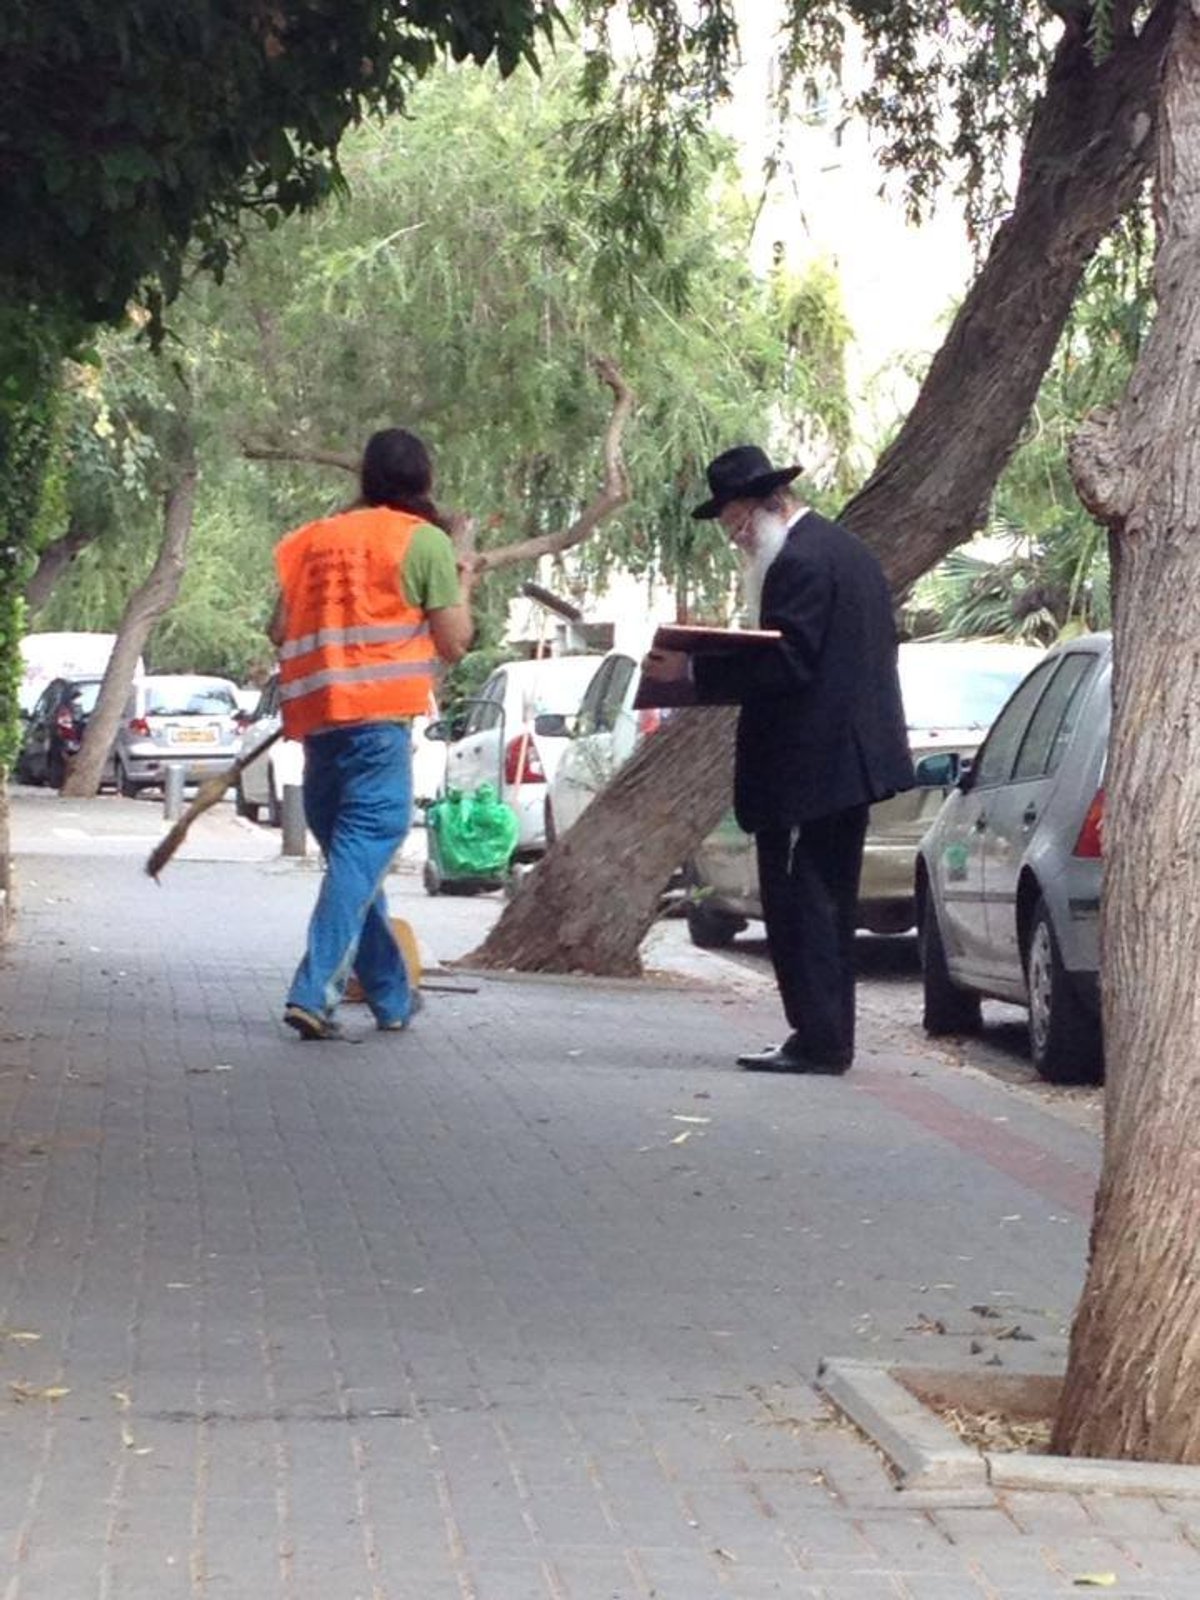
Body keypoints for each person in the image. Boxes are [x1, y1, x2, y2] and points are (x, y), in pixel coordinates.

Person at [642, 444, 913, 1074]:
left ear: (769, 504)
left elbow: (790, 662)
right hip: (843, 763)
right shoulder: (844, 550)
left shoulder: (800, 562)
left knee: (803, 906)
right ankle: (825, 1036)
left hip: (810, 767)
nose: (736, 539)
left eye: (737, 524)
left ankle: (819, 1040)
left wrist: (693, 667)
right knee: (827, 902)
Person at [268, 427, 476, 1041]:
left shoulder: (312, 540)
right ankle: (313, 992)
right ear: (425, 480)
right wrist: (462, 578)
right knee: (362, 858)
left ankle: (391, 997)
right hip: (379, 727)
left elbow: (279, 628)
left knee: (354, 867)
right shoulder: (424, 542)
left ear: (365, 477)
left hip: (319, 726)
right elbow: (455, 641)